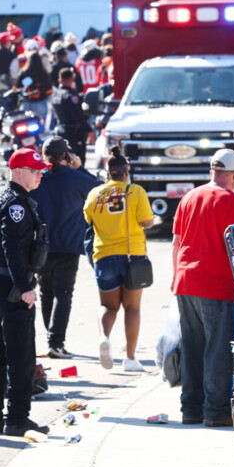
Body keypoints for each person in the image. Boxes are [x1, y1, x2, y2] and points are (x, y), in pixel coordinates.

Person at [171, 149, 234, 427]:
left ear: (212, 171)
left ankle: (191, 409)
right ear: (233, 174)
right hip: (214, 283)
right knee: (217, 349)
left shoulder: (189, 197)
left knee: (192, 347)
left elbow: (177, 242)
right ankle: (216, 411)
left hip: (185, 281)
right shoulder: (233, 201)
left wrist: (175, 277)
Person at [0, 147, 50, 436]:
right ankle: (17, 418)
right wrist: (25, 288)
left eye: (41, 171)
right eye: (34, 171)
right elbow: (11, 247)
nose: (39, 176)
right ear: (18, 171)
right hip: (11, 284)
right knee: (20, 356)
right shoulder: (17, 205)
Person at [84, 145, 154, 372]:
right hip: (132, 255)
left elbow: (88, 219)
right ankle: (131, 359)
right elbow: (147, 222)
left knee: (108, 306)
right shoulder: (136, 191)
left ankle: (105, 338)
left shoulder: (95, 194)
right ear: (127, 171)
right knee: (132, 308)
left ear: (107, 171)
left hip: (104, 256)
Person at [30, 137, 98, 359]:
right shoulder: (76, 178)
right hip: (68, 246)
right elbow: (101, 190)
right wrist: (82, 168)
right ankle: (55, 343)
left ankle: (52, 340)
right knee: (63, 293)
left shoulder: (38, 179)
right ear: (66, 155)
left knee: (46, 292)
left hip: (41, 247)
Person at [50, 68, 91, 164]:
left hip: (60, 131)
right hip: (74, 133)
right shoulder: (70, 95)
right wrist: (88, 130)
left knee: (63, 160)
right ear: (72, 79)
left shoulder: (55, 94)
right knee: (77, 160)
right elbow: (77, 114)